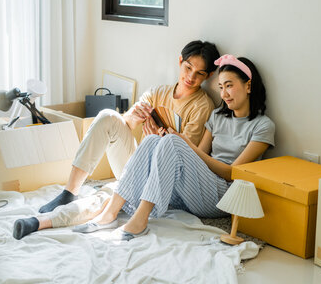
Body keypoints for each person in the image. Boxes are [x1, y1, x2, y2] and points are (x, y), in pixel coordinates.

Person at [12, 40, 221, 240]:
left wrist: (156, 137)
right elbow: (126, 125)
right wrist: (133, 117)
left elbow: (184, 155)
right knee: (107, 116)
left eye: (199, 73)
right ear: (179, 62)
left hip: (164, 180)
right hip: (141, 160)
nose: (190, 77)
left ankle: (42, 222)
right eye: (188, 68)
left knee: (109, 194)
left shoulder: (202, 105)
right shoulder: (159, 92)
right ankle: (70, 191)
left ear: (208, 76)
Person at [74, 54, 275, 240]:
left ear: (248, 86)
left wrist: (184, 143)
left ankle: (140, 220)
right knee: (154, 140)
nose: (224, 94)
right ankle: (110, 212)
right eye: (221, 87)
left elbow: (232, 173)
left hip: (224, 195)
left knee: (172, 141)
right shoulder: (217, 117)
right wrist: (176, 142)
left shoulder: (263, 126)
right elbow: (202, 155)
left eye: (229, 86)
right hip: (199, 187)